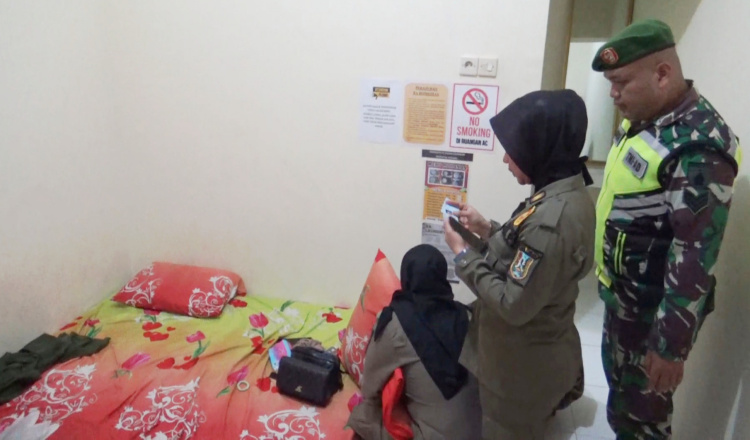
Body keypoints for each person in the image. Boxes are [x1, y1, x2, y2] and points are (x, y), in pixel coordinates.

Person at [590, 19, 742, 439]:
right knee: (623, 409)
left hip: (652, 318)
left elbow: (693, 255)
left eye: (621, 82)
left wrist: (669, 347)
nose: (613, 94)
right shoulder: (647, 118)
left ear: (662, 74)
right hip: (624, 300)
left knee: (644, 424)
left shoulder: (698, 146)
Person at [444, 89, 596, 439]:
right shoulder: (563, 192)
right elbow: (526, 257)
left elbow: (512, 303)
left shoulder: (551, 220)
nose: (505, 159)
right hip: (531, 359)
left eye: (513, 150)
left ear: (539, 147)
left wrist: (462, 255)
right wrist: (486, 228)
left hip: (518, 376)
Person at [347, 244, 481, 440]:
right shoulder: (467, 315)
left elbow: (369, 386)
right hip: (483, 432)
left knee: (363, 414)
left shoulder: (396, 323)